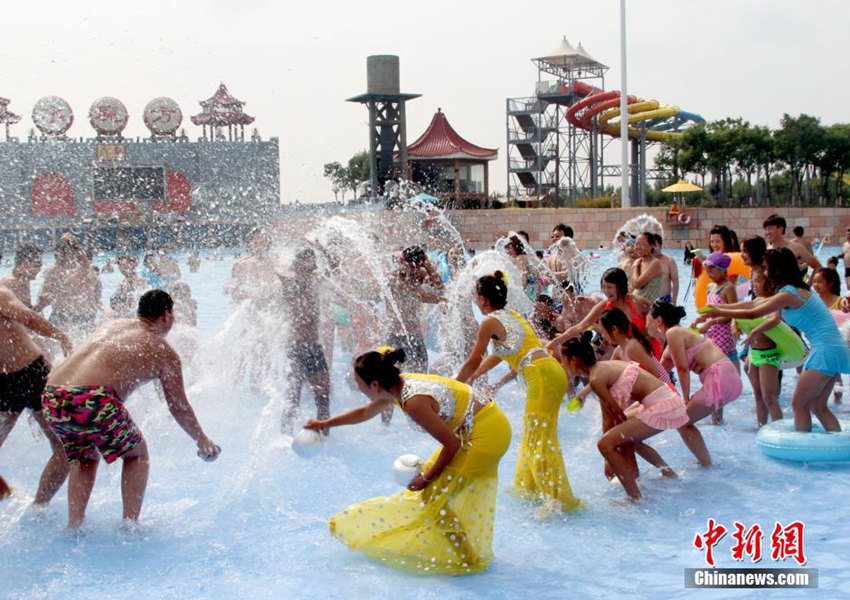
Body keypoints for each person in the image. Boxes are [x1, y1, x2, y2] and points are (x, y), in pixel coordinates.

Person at [304, 348, 511, 575]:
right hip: (477, 426)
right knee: (434, 496)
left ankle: (468, 559)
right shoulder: (396, 387)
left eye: (359, 383)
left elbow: (451, 444)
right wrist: (326, 423)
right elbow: (364, 413)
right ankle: (465, 553)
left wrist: (426, 477)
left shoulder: (413, 402)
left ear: (374, 385)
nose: (357, 388)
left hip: (487, 434)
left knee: (437, 495)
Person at [41, 290, 219, 528]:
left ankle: (74, 526)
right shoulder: (164, 352)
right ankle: (130, 526)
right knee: (137, 454)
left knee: (85, 457)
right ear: (166, 316)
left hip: (53, 396)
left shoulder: (114, 325)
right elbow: (178, 406)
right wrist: (201, 439)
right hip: (92, 399)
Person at [456, 272, 581, 513]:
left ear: (482, 299)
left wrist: (456, 383)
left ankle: (555, 502)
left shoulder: (489, 321)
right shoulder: (510, 315)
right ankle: (531, 488)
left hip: (541, 377)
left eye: (475, 296)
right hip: (551, 372)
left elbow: (474, 358)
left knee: (540, 439)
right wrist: (473, 377)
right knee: (536, 434)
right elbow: (499, 354)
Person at [698, 248, 845, 433]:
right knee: (818, 405)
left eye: (767, 268)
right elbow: (753, 304)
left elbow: (753, 313)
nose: (765, 273)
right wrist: (721, 308)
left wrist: (720, 311)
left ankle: (799, 455)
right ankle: (837, 451)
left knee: (799, 405)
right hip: (833, 348)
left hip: (825, 350)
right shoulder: (793, 291)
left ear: (778, 270)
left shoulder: (790, 294)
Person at [561, 335, 710, 502]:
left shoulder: (596, 379)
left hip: (662, 405)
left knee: (604, 444)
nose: (563, 364)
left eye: (564, 360)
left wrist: (610, 458)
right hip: (666, 398)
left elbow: (616, 417)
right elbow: (609, 418)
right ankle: (667, 473)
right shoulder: (602, 368)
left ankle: (634, 497)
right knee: (624, 438)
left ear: (574, 360)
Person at [0, 286, 73, 505]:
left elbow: (30, 319)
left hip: (34, 376)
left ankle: (39, 506)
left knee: (63, 445)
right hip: (4, 384)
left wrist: (60, 336)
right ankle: (5, 495)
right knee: (62, 445)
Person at [649, 302, 744, 431]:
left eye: (648, 321)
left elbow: (682, 369)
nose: (646, 325)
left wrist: (686, 399)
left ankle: (706, 451)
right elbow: (657, 376)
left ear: (659, 321)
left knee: (681, 420)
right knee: (689, 422)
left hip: (720, 377)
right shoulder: (673, 342)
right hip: (727, 377)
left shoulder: (673, 333)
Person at [547, 267, 659, 357]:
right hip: (624, 351)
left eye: (609, 287)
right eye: (603, 287)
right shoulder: (604, 306)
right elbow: (580, 327)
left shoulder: (637, 302)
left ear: (620, 286)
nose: (605, 291)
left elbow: (660, 320)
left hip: (648, 350)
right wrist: (553, 343)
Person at [277, 248, 331, 432]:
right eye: (306, 261)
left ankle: (325, 439)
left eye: (312, 261)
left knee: (324, 399)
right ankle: (284, 437)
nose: (310, 265)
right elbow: (288, 301)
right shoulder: (290, 284)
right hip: (296, 349)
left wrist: (320, 247)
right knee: (293, 400)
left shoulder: (316, 282)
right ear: (298, 264)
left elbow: (334, 266)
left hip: (314, 347)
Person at [385, 245, 444, 374]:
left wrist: (428, 265)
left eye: (416, 267)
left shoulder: (419, 274)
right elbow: (418, 294)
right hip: (396, 335)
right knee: (395, 378)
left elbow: (439, 286)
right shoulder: (392, 278)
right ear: (402, 262)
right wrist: (443, 301)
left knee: (421, 374)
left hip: (415, 335)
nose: (413, 270)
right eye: (410, 266)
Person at [736, 269, 783, 426]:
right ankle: (761, 427)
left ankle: (781, 431)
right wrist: (733, 323)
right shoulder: (756, 301)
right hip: (754, 353)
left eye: (758, 281)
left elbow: (774, 319)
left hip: (768, 354)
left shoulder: (775, 301)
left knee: (770, 398)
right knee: (758, 396)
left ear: (769, 282)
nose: (754, 285)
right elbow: (739, 310)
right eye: (753, 281)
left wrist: (755, 331)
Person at [811, 267, 844, 403]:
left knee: (834, 374)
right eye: (814, 281)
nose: (815, 285)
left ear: (830, 283)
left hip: (836, 345)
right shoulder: (813, 302)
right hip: (818, 343)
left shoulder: (839, 301)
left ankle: (837, 401)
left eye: (819, 281)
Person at [763, 214, 821, 281]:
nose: (767, 232)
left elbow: (817, 266)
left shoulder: (796, 247)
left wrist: (808, 285)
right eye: (765, 229)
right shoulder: (767, 250)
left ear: (780, 229)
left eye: (770, 229)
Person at [110, 254, 148, 319]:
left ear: (132, 266)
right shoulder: (123, 282)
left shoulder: (138, 282)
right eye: (120, 265)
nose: (121, 268)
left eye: (124, 266)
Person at [630, 233, 664, 303]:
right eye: (636, 244)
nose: (638, 247)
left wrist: (635, 265)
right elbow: (632, 286)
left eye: (641, 244)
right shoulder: (639, 261)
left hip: (648, 309)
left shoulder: (655, 263)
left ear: (651, 246)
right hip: (635, 305)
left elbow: (637, 284)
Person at [652, 233, 679, 303]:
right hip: (649, 300)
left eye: (655, 245)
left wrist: (674, 300)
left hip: (664, 299)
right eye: (651, 245)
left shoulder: (669, 261)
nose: (653, 248)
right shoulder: (644, 262)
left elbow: (675, 282)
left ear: (660, 246)